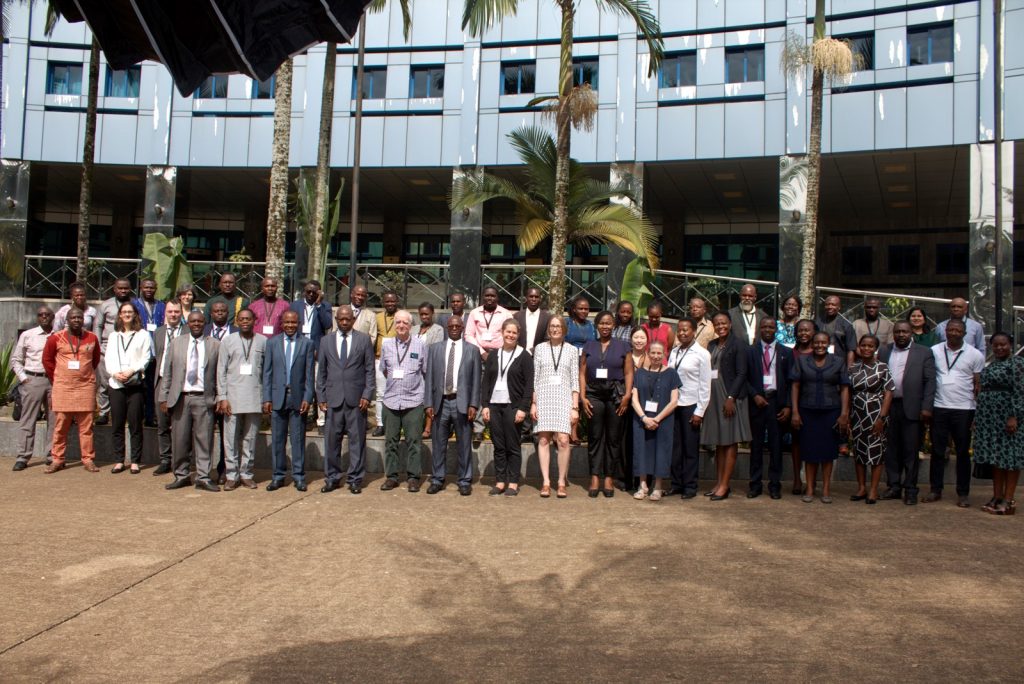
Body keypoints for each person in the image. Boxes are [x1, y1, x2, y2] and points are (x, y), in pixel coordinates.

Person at [926, 319, 984, 507]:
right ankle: (935, 490)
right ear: (945, 331)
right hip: (939, 406)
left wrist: (978, 412)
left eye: (957, 330)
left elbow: (978, 385)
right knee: (937, 450)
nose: (953, 333)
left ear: (964, 333)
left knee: (962, 452)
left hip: (964, 408)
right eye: (950, 329)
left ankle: (963, 493)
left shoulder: (975, 354)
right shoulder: (934, 350)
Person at [160, 311, 221, 491]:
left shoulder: (215, 345)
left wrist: (218, 397)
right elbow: (168, 372)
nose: (196, 324)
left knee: (204, 439)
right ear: (188, 322)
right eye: (193, 321)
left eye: (200, 321)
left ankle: (203, 476)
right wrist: (163, 397)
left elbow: (219, 374)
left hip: (204, 398)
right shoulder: (176, 343)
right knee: (180, 439)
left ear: (205, 323)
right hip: (181, 398)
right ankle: (181, 475)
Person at [317, 305, 376, 495]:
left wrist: (367, 394)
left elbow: (369, 370)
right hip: (333, 399)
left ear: (353, 320)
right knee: (332, 441)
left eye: (347, 319)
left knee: (357, 441)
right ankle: (332, 478)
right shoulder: (326, 341)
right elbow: (322, 372)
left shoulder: (364, 340)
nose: (344, 322)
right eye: (341, 319)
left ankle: (355, 479)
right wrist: (321, 396)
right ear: (336, 320)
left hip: (357, 399)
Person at [878, 321, 936, 505]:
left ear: (911, 333)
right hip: (889, 406)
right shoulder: (885, 350)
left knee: (911, 450)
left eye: (905, 332)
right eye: (898, 332)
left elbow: (930, 381)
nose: (901, 335)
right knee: (891, 449)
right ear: (893, 334)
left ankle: (910, 489)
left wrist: (926, 407)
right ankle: (894, 486)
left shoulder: (924, 352)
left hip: (912, 407)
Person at [790, 332, 851, 503]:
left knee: (827, 452)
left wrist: (844, 414)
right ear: (812, 343)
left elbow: (845, 387)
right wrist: (795, 411)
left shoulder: (838, 361)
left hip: (831, 411)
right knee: (809, 451)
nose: (819, 345)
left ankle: (825, 489)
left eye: (823, 342)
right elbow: (795, 386)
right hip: (807, 411)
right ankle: (809, 487)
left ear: (828, 343)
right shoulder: (802, 360)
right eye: (816, 342)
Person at [425, 316, 481, 496]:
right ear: (447, 327)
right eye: (451, 326)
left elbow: (476, 380)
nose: (455, 328)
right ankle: (437, 479)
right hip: (440, 401)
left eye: (458, 325)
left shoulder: (472, 350)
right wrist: (428, 403)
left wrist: (474, 403)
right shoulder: (435, 349)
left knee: (464, 443)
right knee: (438, 443)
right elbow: (429, 379)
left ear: (463, 327)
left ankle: (464, 480)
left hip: (462, 402)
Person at [41, 308, 102, 474]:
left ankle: (88, 459)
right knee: (60, 426)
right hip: (63, 387)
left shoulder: (92, 337)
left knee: (86, 427)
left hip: (85, 387)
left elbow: (95, 360)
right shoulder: (55, 338)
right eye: (73, 317)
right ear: (67, 320)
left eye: (79, 317)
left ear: (83, 320)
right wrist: (59, 377)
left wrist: (82, 373)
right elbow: (47, 360)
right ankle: (57, 459)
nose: (76, 320)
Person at [580, 311, 633, 497]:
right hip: (594, 394)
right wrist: (583, 397)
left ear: (614, 326)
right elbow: (582, 373)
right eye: (602, 323)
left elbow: (628, 373)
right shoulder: (589, 345)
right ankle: (595, 476)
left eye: (608, 323)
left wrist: (627, 395)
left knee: (613, 437)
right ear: (597, 326)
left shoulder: (623, 346)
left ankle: (609, 477)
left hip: (615, 395)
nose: (605, 326)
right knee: (595, 436)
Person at [262, 310, 316, 492]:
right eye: (287, 322)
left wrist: (308, 397)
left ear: (299, 323)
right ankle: (278, 476)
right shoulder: (272, 343)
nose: (290, 326)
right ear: (282, 323)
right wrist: (267, 397)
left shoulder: (307, 344)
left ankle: (299, 476)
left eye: (293, 323)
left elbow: (310, 374)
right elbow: (267, 373)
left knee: (298, 439)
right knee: (278, 439)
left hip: (298, 397)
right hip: (277, 397)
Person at [701, 312, 751, 500]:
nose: (720, 326)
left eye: (723, 323)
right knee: (719, 441)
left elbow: (741, 373)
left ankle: (725, 485)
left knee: (730, 442)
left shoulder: (738, 345)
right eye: (717, 324)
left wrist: (731, 397)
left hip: (730, 397)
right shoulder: (712, 344)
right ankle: (718, 482)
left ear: (730, 324)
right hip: (714, 397)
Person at [482, 319, 534, 496]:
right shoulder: (494, 354)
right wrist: (485, 405)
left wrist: (523, 408)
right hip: (495, 405)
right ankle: (499, 481)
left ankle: (512, 482)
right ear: (502, 332)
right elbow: (486, 382)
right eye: (508, 332)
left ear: (518, 335)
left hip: (513, 406)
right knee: (498, 445)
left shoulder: (524, 356)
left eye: (514, 333)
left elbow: (529, 385)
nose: (510, 335)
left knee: (512, 445)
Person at [379, 309, 429, 492]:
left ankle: (414, 477)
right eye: (398, 322)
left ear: (411, 326)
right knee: (390, 441)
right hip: (391, 400)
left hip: (413, 401)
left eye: (405, 323)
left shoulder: (420, 345)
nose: (401, 326)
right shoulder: (387, 345)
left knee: (413, 441)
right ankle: (391, 477)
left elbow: (425, 371)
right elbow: (385, 369)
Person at [973, 332, 1023, 515]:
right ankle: (997, 496)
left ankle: (1008, 501)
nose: (999, 348)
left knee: (1010, 458)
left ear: (1011, 345)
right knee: (996, 457)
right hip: (990, 417)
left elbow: (1019, 392)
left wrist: (1014, 416)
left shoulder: (1017, 364)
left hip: (1008, 417)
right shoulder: (992, 364)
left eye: (1003, 345)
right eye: (995, 345)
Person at [216, 309, 266, 490]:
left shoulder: (263, 341)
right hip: (232, 398)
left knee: (250, 438)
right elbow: (220, 371)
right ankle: (231, 474)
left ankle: (246, 473)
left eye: (248, 319)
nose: (245, 321)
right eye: (242, 319)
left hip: (254, 396)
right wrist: (222, 397)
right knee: (230, 438)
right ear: (237, 321)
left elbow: (267, 372)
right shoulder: (228, 341)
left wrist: (265, 398)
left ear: (255, 320)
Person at [531, 317, 580, 498]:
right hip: (544, 398)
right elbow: (535, 377)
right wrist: (534, 403)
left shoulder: (572, 350)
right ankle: (545, 482)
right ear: (548, 329)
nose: (555, 329)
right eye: (552, 326)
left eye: (558, 326)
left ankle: (561, 482)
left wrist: (575, 406)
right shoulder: (540, 349)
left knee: (563, 440)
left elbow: (575, 379)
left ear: (564, 329)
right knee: (543, 440)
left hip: (564, 399)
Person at [746, 317, 793, 499]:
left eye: (771, 327)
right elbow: (745, 378)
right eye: (764, 326)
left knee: (776, 446)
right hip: (757, 402)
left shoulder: (786, 353)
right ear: (759, 329)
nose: (767, 329)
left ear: (776, 329)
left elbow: (791, 382)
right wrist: (755, 395)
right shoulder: (750, 351)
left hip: (777, 403)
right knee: (756, 445)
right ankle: (755, 485)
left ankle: (775, 485)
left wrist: (788, 405)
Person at [105, 302, 152, 474]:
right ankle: (118, 460)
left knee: (135, 424)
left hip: (135, 384)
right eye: (123, 312)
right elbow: (108, 358)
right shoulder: (113, 336)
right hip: (116, 384)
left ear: (135, 314)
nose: (126, 314)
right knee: (117, 424)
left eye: (129, 312)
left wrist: (132, 370)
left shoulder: (143, 335)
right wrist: (115, 373)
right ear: (119, 315)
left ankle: (135, 461)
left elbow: (146, 357)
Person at [666, 318, 712, 499]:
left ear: (694, 331)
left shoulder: (702, 354)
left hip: (691, 406)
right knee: (675, 448)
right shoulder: (675, 351)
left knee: (690, 449)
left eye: (686, 330)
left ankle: (690, 486)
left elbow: (705, 385)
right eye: (680, 330)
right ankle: (676, 484)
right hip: (673, 404)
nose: (683, 333)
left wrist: (699, 411)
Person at [631, 341, 681, 501]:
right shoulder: (639, 373)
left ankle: (658, 486)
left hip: (664, 420)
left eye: (659, 353)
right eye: (653, 353)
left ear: (664, 354)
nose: (656, 356)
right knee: (641, 449)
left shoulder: (672, 374)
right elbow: (634, 399)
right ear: (648, 353)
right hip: (642, 419)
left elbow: (674, 401)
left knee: (661, 451)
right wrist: (644, 418)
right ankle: (642, 484)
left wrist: (657, 418)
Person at [848, 335, 894, 504]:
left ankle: (873, 489)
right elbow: (848, 391)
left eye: (870, 346)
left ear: (875, 348)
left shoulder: (882, 367)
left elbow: (889, 391)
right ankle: (861, 487)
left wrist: (882, 416)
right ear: (859, 347)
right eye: (863, 345)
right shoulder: (853, 368)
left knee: (876, 451)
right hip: (857, 415)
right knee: (859, 451)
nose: (866, 349)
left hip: (876, 413)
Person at [10, 307, 56, 471]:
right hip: (33, 380)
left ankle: (51, 455)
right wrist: (24, 379)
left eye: (47, 314)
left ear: (53, 317)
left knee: (54, 420)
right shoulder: (28, 335)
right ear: (37, 317)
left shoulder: (59, 335)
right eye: (41, 314)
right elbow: (16, 359)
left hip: (53, 381)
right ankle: (23, 456)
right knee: (28, 419)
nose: (44, 317)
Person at [151, 299, 185, 476]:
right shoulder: (158, 332)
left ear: (181, 313)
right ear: (166, 313)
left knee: (181, 425)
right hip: (162, 381)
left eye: (176, 312)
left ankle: (181, 460)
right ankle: (165, 460)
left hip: (181, 384)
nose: (173, 315)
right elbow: (156, 356)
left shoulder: (187, 331)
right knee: (162, 424)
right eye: (170, 312)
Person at [95, 278, 135, 425]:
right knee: (105, 382)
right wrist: (98, 346)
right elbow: (98, 325)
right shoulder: (106, 305)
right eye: (120, 288)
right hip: (106, 347)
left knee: (126, 381)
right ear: (114, 289)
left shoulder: (134, 304)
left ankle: (122, 413)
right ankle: (104, 413)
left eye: (126, 288)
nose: (123, 291)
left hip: (128, 347)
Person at [132, 278, 164, 426]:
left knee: (153, 387)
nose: (149, 290)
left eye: (152, 287)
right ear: (141, 288)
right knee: (139, 386)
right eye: (146, 287)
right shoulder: (134, 304)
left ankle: (151, 417)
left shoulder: (161, 305)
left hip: (157, 352)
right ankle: (138, 417)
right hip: (139, 351)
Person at [372, 291, 400, 436]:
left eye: (392, 301)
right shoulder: (377, 317)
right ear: (383, 303)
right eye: (387, 301)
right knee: (380, 394)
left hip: (398, 362)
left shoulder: (402, 317)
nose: (390, 304)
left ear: (397, 302)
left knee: (396, 392)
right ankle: (380, 424)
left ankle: (394, 424)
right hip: (379, 360)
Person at [290, 279, 333, 349]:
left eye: (314, 292)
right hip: (298, 345)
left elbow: (327, 325)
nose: (311, 294)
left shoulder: (325, 306)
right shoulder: (295, 305)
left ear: (319, 293)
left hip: (316, 346)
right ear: (304, 291)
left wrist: (319, 305)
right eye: (309, 291)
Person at [815, 295, 857, 365]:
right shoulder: (817, 323)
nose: (830, 307)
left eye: (833, 305)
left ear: (839, 307)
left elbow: (851, 349)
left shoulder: (846, 325)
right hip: (819, 361)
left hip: (838, 363)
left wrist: (849, 370)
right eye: (827, 304)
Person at [513, 287, 550, 353]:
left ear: (540, 299)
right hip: (519, 354)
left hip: (540, 355)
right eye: (531, 296)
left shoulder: (547, 317)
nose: (533, 299)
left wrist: (535, 350)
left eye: (536, 297)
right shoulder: (517, 316)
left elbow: (547, 338)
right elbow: (514, 335)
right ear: (526, 298)